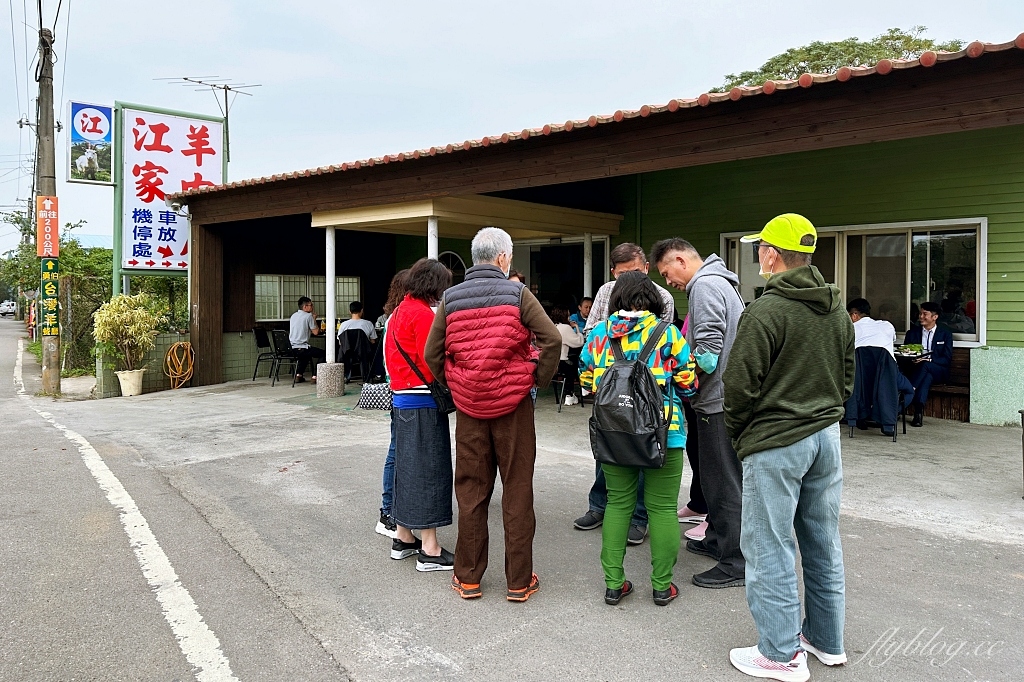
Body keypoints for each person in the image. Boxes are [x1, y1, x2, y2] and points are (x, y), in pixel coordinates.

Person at [723, 214, 855, 681]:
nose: (758, 253)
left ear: (772, 254)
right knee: (822, 540)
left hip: (776, 442)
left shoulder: (765, 311)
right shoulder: (836, 308)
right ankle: (825, 639)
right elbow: (846, 377)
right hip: (825, 437)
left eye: (760, 247)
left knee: (769, 546)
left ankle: (779, 654)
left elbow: (738, 388)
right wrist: (827, 413)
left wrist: (742, 437)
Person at [424, 227, 560, 602]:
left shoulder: (450, 299)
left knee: (471, 491)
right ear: (502, 258)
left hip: (469, 410)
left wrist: (457, 382)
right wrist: (535, 379)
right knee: (517, 490)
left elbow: (431, 354)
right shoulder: (517, 293)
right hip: (514, 408)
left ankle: (468, 577)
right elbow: (552, 339)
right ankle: (518, 582)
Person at [580, 271, 697, 607]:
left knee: (618, 504)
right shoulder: (668, 333)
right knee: (661, 509)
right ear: (652, 300)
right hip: (664, 433)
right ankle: (662, 587)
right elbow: (688, 383)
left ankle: (614, 585)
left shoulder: (600, 334)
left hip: (613, 433)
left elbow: (587, 379)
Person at [652, 237, 746, 590]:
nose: (668, 283)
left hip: (717, 400)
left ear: (680, 260)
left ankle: (736, 561)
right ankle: (718, 539)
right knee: (714, 476)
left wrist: (679, 378)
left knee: (723, 481)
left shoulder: (704, 286)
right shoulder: (722, 282)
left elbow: (707, 352)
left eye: (666, 273)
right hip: (727, 396)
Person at [575, 243, 675, 545]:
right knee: (607, 447)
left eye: (632, 272)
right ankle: (598, 505)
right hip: (610, 390)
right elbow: (591, 334)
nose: (626, 280)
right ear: (612, 272)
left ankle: (639, 517)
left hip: (648, 394)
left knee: (644, 450)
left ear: (645, 267)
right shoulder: (606, 292)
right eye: (621, 274)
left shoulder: (664, 297)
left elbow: (665, 342)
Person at [385, 258, 456, 572]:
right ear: (435, 286)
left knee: (406, 469)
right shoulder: (424, 314)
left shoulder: (399, 311)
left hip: (401, 398)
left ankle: (404, 537)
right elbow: (433, 359)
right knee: (430, 470)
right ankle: (430, 547)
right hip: (423, 399)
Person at [374, 269, 410, 539]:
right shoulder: (397, 319)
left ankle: (391, 510)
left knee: (396, 450)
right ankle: (387, 512)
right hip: (400, 392)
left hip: (396, 391)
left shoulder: (392, 317)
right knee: (396, 452)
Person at [847, 298, 916, 403]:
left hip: (860, 377)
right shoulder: (887, 326)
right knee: (910, 391)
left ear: (854, 315)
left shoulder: (850, 329)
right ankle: (890, 413)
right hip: (887, 372)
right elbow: (891, 341)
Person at [903, 301, 953, 427]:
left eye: (925, 314)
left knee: (926, 366)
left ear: (934, 317)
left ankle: (911, 389)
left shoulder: (945, 334)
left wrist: (929, 360)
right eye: (920, 313)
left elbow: (946, 359)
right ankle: (918, 413)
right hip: (918, 370)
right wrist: (913, 359)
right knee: (926, 376)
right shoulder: (912, 333)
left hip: (939, 371)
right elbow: (905, 355)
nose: (921, 317)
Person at [550, 306, 585, 405]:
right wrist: (577, 328)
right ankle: (569, 394)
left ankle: (568, 394)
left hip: (552, 363)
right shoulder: (565, 328)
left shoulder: (552, 326)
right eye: (568, 315)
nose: (569, 318)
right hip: (563, 363)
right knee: (575, 363)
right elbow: (578, 342)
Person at [289, 296, 325, 383]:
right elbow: (316, 332)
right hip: (302, 347)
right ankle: (315, 376)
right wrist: (314, 319)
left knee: (306, 354)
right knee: (323, 354)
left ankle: (299, 375)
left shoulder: (293, 315)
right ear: (305, 307)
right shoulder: (308, 316)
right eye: (311, 305)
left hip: (291, 348)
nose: (312, 307)